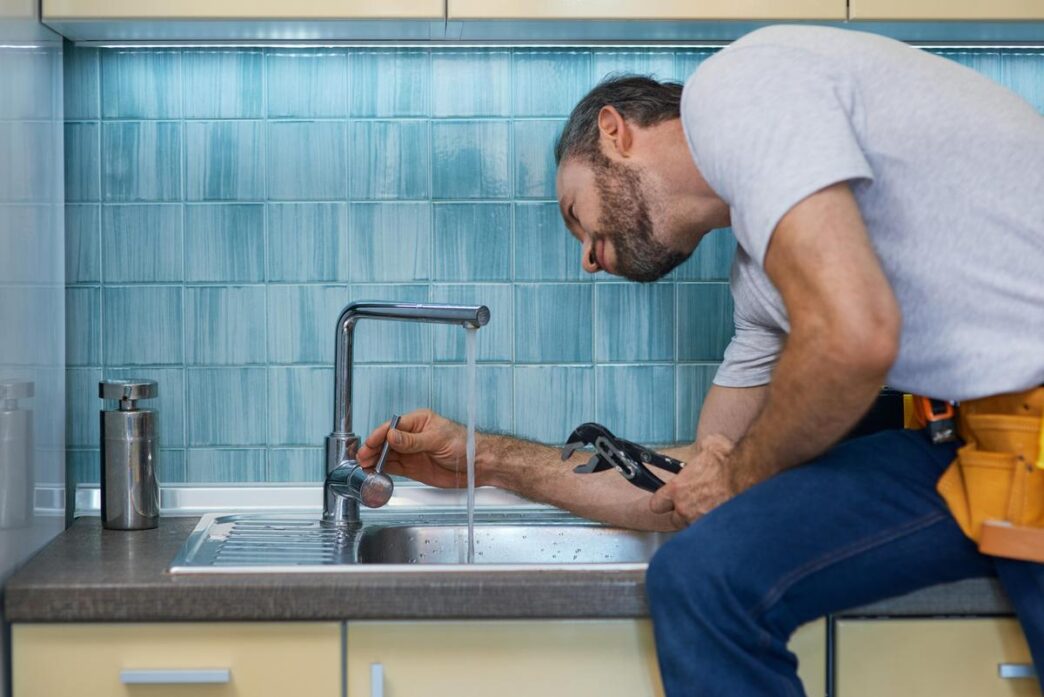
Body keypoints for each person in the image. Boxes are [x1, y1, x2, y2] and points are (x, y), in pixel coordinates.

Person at [357, 25, 1044, 696]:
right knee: (703, 572)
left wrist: (740, 471)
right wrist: (486, 458)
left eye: (576, 214)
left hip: (1018, 441)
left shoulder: (736, 88)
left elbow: (854, 338)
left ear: (614, 131)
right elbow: (692, 486)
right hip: (986, 448)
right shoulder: (765, 284)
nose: (587, 259)